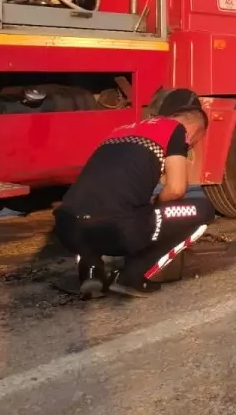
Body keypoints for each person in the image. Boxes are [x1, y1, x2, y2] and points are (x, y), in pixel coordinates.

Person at [53, 88, 213, 298]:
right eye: (195, 142)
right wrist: (156, 204)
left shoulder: (121, 130)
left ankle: (92, 271)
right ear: (194, 130)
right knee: (204, 210)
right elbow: (176, 189)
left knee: (96, 208)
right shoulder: (176, 129)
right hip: (117, 231)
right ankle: (133, 275)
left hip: (68, 229)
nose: (192, 146)